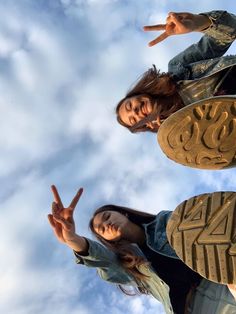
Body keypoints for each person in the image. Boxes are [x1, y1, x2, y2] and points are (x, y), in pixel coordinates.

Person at [48, 186, 236, 314]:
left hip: (218, 278)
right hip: (198, 308)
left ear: (123, 213)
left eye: (106, 216)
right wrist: (72, 239)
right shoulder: (127, 264)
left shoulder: (163, 222)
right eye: (100, 229)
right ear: (105, 239)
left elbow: (199, 227)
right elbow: (101, 259)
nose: (106, 224)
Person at [116, 10, 236, 133]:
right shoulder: (185, 136)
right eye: (133, 119)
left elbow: (230, 29)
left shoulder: (179, 67)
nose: (135, 111)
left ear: (139, 94)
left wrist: (199, 23)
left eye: (129, 106)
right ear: (147, 126)